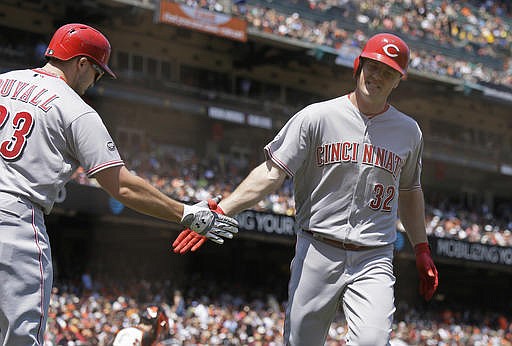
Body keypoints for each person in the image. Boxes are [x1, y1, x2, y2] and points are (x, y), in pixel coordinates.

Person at [173, 33, 439, 345]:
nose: (378, 76)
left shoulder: (409, 132)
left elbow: (409, 191)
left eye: (389, 72)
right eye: (373, 66)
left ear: (398, 81)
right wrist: (222, 210)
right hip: (317, 247)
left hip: (374, 255)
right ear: (359, 65)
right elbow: (272, 174)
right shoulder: (317, 116)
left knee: (372, 341)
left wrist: (421, 248)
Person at [0, 23, 238, 346]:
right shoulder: (74, 108)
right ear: (81, 63)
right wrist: (184, 212)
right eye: (97, 72)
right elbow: (121, 186)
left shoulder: (3, 81)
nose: (95, 81)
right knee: (19, 339)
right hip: (16, 221)